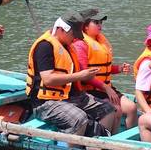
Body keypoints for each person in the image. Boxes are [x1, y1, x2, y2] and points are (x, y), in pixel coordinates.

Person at [26, 11, 117, 143]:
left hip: (70, 96)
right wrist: (79, 75)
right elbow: (48, 79)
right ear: (62, 30)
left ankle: (97, 144)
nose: (75, 38)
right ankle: (74, 146)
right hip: (46, 102)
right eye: (73, 34)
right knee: (79, 118)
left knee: (108, 109)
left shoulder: (68, 46)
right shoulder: (45, 46)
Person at [73, 9, 138, 132]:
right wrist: (106, 88)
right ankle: (107, 141)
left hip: (105, 87)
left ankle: (125, 142)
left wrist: (118, 69)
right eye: (96, 22)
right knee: (116, 110)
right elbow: (85, 74)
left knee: (131, 108)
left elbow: (102, 68)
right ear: (85, 26)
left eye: (100, 22)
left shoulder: (100, 41)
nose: (100, 25)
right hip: (90, 89)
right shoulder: (80, 44)